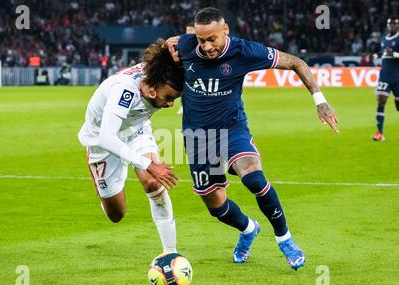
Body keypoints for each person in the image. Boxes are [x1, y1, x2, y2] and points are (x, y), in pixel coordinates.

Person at [167, 7, 339, 270]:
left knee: (254, 177)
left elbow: (296, 62)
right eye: (201, 40)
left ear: (225, 30)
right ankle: (248, 229)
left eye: (212, 39)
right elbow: (160, 53)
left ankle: (285, 239)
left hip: (233, 129)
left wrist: (320, 101)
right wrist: (166, 45)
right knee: (215, 205)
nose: (206, 46)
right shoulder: (186, 45)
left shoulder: (245, 51)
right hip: (199, 138)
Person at [78, 39, 182, 254]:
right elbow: (107, 137)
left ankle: (171, 255)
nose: (171, 105)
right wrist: (147, 164)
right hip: (102, 139)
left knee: (153, 183)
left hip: (136, 128)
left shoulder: (159, 73)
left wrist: (176, 42)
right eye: (169, 98)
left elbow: (169, 50)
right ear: (152, 91)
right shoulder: (124, 91)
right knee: (116, 214)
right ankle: (104, 186)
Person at [372, 17, 399, 142]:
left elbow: (390, 53)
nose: (391, 26)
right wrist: (376, 55)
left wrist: (393, 54)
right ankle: (379, 132)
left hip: (397, 77)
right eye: (390, 24)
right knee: (381, 100)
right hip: (385, 76)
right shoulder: (383, 38)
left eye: (394, 24)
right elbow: (383, 51)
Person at [177, 21, 196, 116]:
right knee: (185, 88)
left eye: (191, 31)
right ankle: (184, 106)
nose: (188, 33)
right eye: (187, 31)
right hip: (188, 70)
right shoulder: (183, 43)